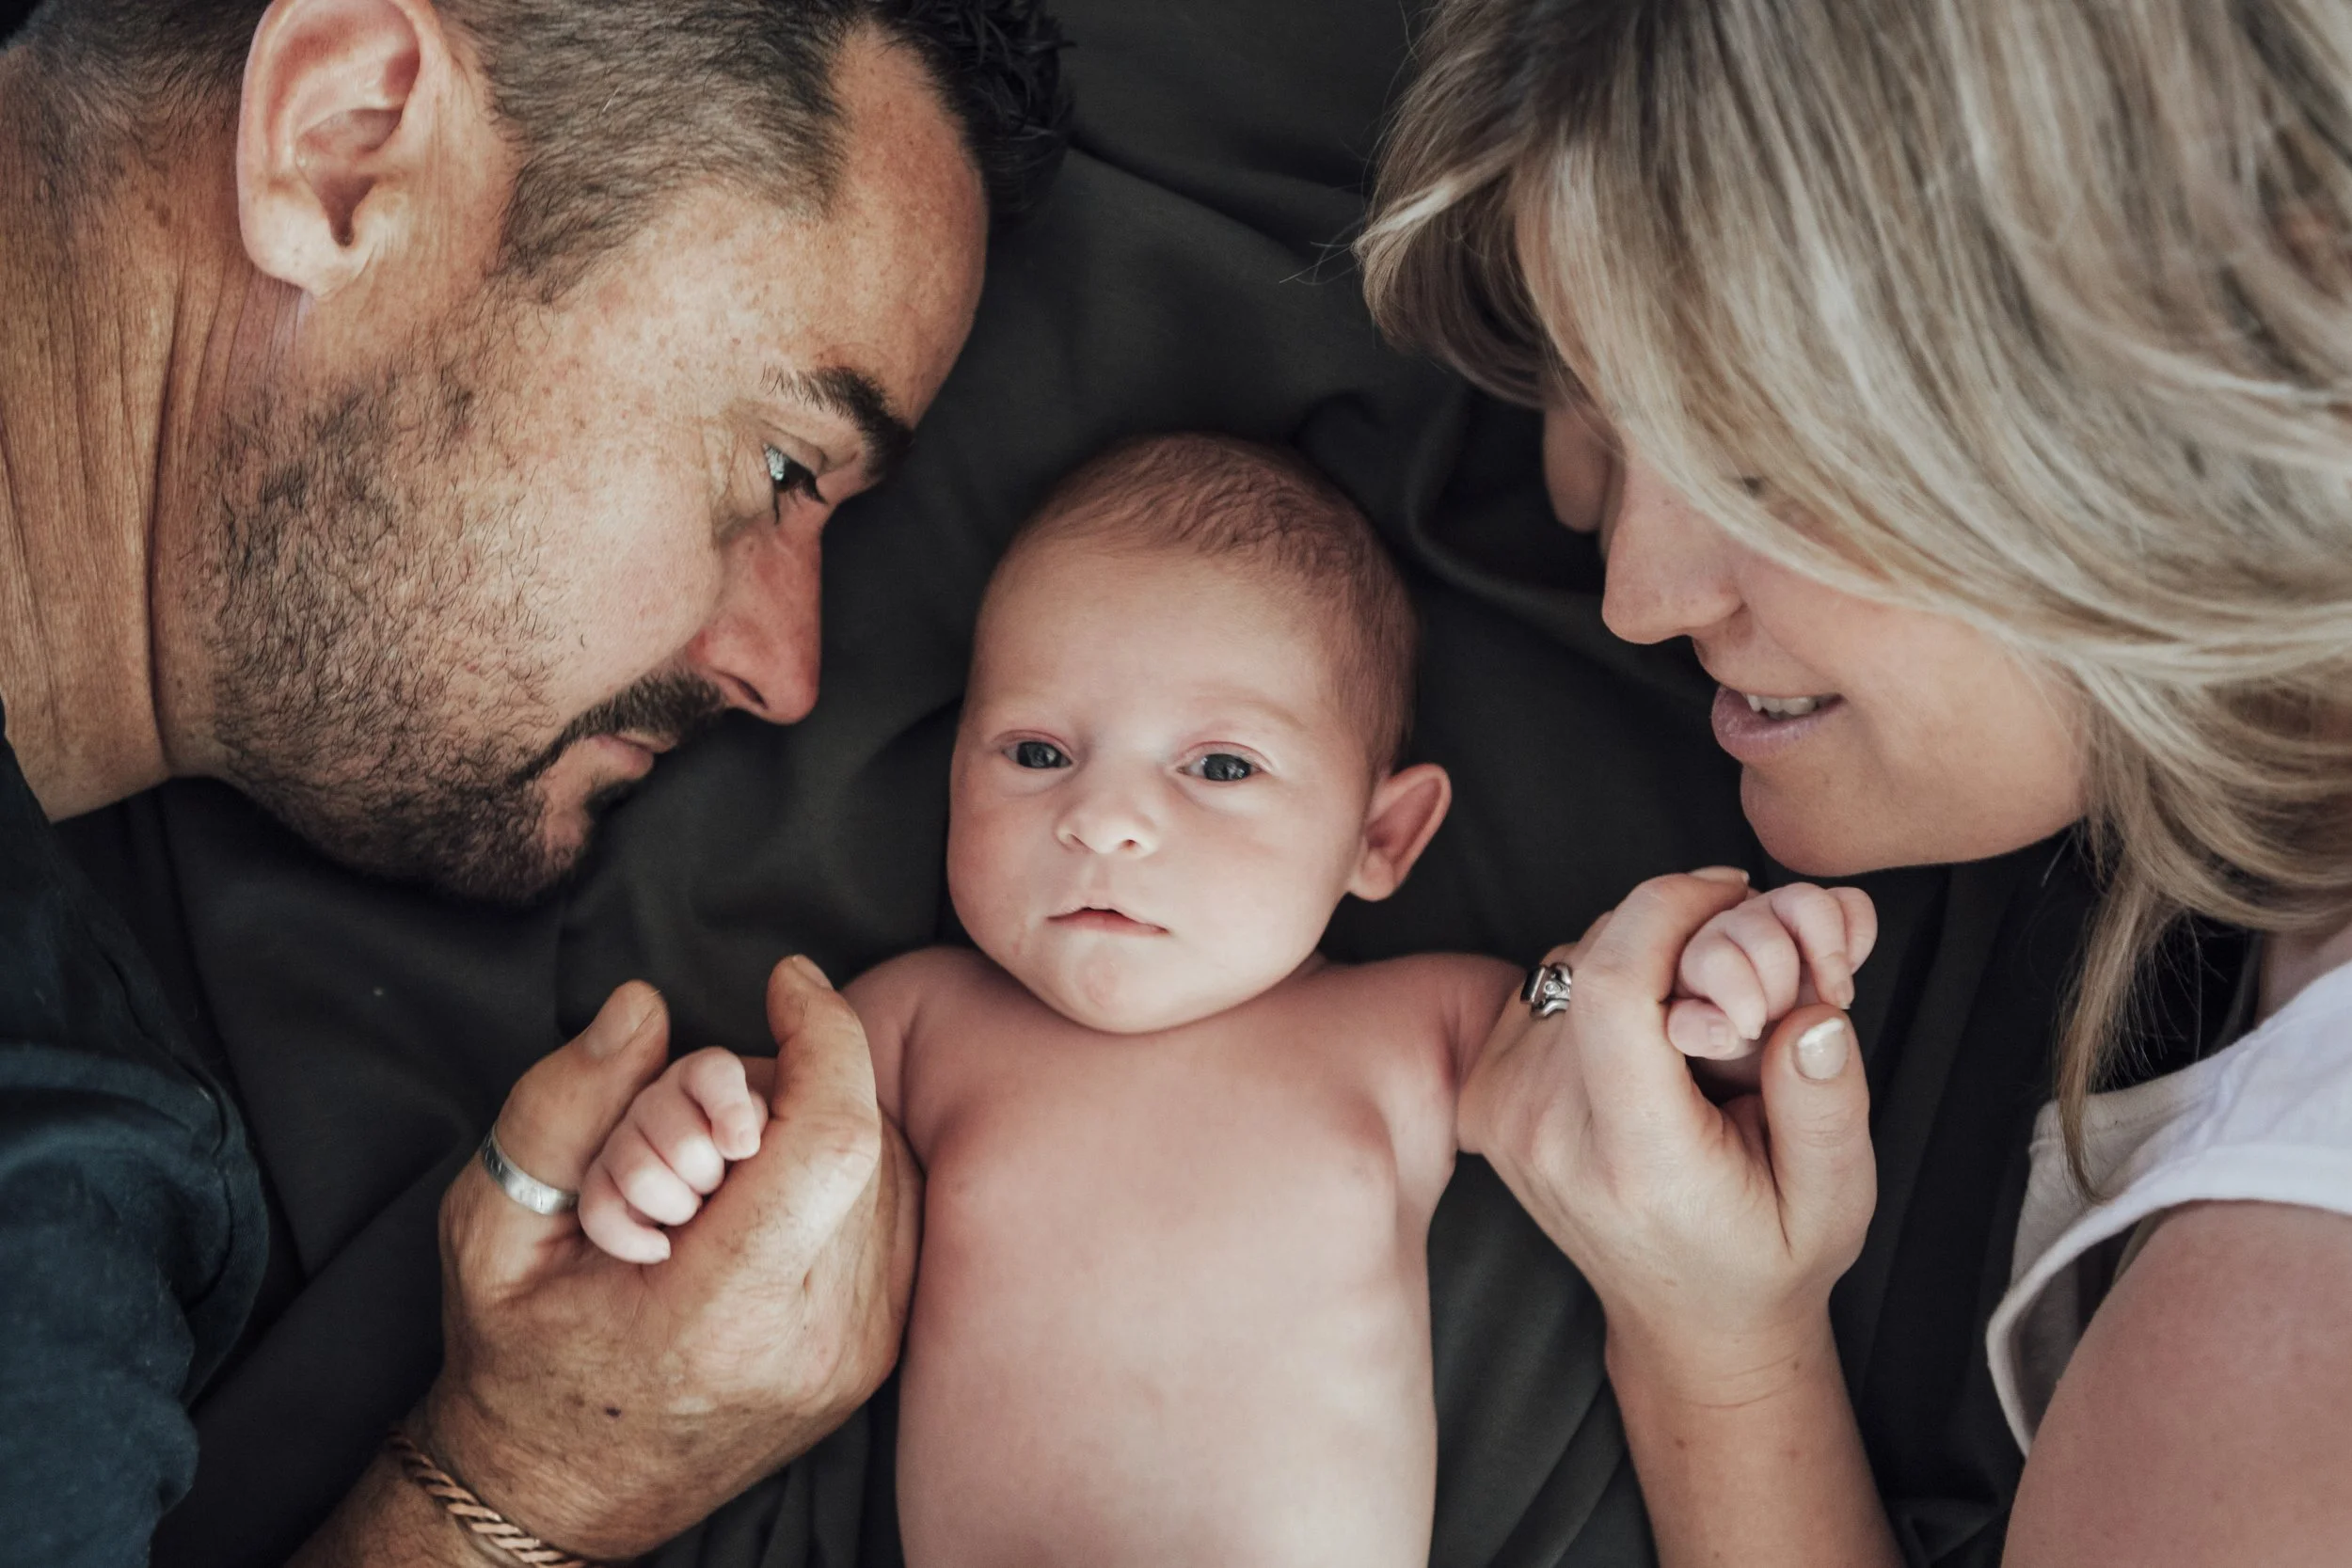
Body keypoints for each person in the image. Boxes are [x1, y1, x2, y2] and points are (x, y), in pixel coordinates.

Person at [0, 0, 1066, 1563]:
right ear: (348, 142)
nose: (787, 671)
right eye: (781, 467)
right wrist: (515, 1486)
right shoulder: (48, 1182)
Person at [1360, 0, 2352, 1564]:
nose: (1635, 593)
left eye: (1761, 454)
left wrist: (1719, 1356)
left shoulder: (2283, 1356)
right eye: (1624, 420)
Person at [576, 433, 1877, 1565]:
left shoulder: (1419, 1027)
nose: (1106, 818)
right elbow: (767, 1164)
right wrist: (690, 1135)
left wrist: (1723, 989)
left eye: (1218, 763)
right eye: (1037, 752)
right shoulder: (912, 1021)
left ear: (1381, 838)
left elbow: (1614, 1053)